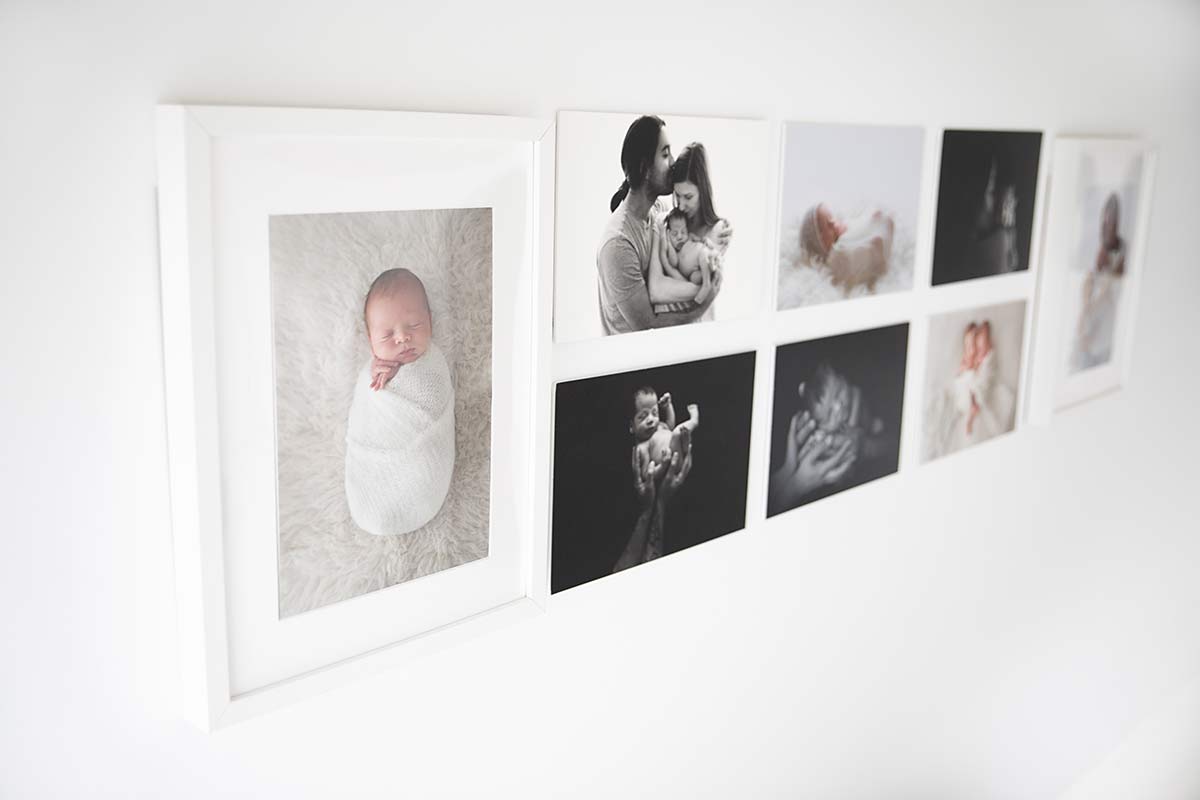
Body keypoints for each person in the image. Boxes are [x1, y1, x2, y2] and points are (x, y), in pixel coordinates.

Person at [344, 268, 455, 536]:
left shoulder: (433, 363)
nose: (402, 337)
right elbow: (366, 411)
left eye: (414, 325)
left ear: (430, 321)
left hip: (421, 465)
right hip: (378, 459)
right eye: (386, 335)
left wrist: (399, 378)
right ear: (371, 342)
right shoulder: (368, 374)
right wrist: (379, 383)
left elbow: (433, 395)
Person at [596, 117, 725, 335]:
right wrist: (704, 303)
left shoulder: (656, 210)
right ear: (644, 168)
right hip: (631, 364)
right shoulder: (618, 244)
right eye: (665, 154)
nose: (673, 162)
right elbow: (647, 326)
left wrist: (716, 230)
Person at [648, 142, 733, 314]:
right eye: (677, 195)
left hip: (701, 329)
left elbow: (688, 297)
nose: (681, 204)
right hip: (667, 329)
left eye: (688, 197)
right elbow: (656, 291)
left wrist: (701, 289)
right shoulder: (664, 223)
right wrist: (704, 292)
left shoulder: (718, 231)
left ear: (704, 192)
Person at [1071, 193, 1126, 371]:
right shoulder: (1094, 261)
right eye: (1103, 221)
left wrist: (1107, 273)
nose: (1105, 227)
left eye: (1109, 222)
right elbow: (1085, 303)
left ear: (1117, 224)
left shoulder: (1120, 264)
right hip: (1084, 346)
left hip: (1101, 350)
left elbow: (1108, 302)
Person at [798, 203, 895, 292]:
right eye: (828, 224)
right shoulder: (836, 257)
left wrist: (870, 221)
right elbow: (856, 257)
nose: (833, 222)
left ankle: (880, 227)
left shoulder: (843, 230)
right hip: (875, 255)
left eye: (832, 217)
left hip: (872, 238)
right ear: (821, 244)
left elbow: (858, 228)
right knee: (876, 241)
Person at [653, 207, 717, 305]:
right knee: (695, 279)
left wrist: (705, 241)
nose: (680, 237)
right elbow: (673, 263)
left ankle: (706, 284)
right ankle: (709, 273)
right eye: (674, 234)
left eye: (683, 232)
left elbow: (701, 240)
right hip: (694, 271)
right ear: (668, 234)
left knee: (704, 253)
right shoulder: (674, 252)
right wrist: (669, 243)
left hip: (702, 255)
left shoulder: (690, 237)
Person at [629, 386, 699, 475]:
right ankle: (694, 421)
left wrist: (668, 406)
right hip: (672, 463)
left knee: (679, 433)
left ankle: (685, 444)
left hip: (680, 452)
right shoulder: (642, 447)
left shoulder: (660, 426)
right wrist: (662, 466)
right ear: (632, 426)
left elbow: (670, 424)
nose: (651, 419)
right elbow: (646, 473)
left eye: (654, 413)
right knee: (677, 432)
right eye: (643, 417)